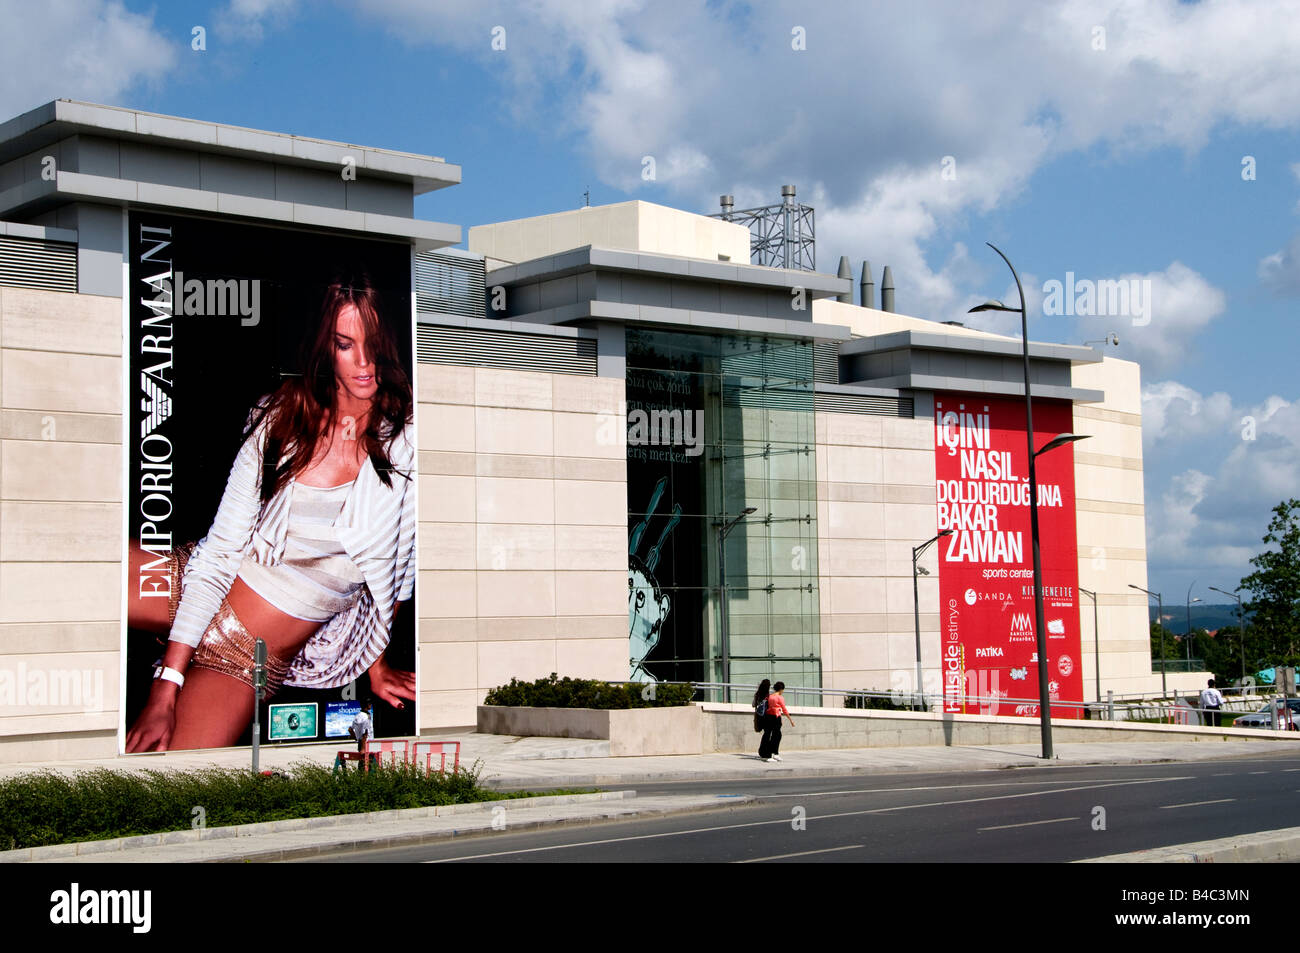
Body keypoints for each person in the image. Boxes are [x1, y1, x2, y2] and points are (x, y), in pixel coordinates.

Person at [126, 276, 417, 752]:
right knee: (53, 576)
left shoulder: (406, 443)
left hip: (246, 656)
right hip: (188, 585)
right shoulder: (280, 417)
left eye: (374, 345)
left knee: (171, 780)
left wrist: (376, 662)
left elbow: (399, 571)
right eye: (346, 345)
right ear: (326, 347)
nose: (364, 363)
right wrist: (165, 687)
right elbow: (221, 552)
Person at [759, 680, 795, 762]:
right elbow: (784, 709)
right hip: (775, 717)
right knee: (777, 735)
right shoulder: (780, 697)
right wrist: (790, 720)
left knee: (767, 735)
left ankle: (767, 754)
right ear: (781, 689)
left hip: (768, 717)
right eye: (783, 690)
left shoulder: (770, 696)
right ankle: (773, 754)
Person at [351, 700, 377, 770]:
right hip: (366, 743)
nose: (371, 705)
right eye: (370, 704)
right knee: (368, 765)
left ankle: (361, 778)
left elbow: (350, 729)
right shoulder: (366, 717)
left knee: (361, 764)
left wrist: (355, 737)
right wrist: (363, 748)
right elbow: (365, 733)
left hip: (360, 742)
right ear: (368, 705)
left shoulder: (358, 715)